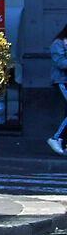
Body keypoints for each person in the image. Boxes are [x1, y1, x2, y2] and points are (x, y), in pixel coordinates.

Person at [48, 22, 67, 155]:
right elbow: (60, 62)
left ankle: (62, 141)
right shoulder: (58, 43)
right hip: (62, 81)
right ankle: (56, 138)